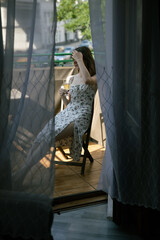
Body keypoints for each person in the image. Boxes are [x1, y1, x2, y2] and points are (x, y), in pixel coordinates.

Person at [13, 46, 97, 186]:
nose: (74, 63)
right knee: (42, 135)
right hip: (68, 113)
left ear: (84, 58)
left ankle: (21, 174)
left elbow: (87, 80)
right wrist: (63, 96)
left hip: (81, 116)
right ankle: (22, 172)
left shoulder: (95, 76)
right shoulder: (71, 78)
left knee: (49, 137)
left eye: (76, 60)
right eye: (74, 61)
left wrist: (80, 59)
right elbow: (69, 103)